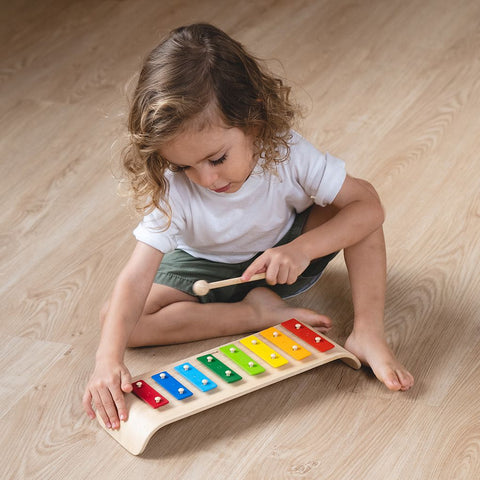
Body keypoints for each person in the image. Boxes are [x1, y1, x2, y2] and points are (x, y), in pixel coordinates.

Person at [83, 23, 414, 430]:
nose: (205, 179)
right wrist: (107, 359)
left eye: (217, 159)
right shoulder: (174, 189)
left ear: (253, 119)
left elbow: (369, 206)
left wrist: (301, 249)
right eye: (185, 166)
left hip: (287, 251)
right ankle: (252, 314)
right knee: (114, 320)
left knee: (359, 213)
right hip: (205, 267)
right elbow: (135, 278)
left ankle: (368, 332)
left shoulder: (288, 153)